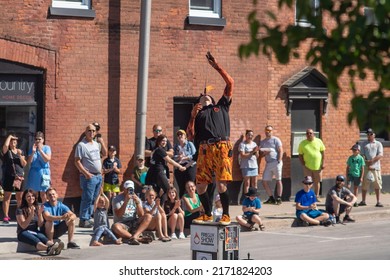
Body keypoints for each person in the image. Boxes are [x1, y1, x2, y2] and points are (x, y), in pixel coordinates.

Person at [186, 51, 234, 225]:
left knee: (221, 185)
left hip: (221, 146)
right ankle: (207, 213)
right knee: (200, 186)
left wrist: (217, 67)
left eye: (206, 97)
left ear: (212, 100)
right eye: (200, 97)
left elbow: (230, 82)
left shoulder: (221, 106)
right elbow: (190, 136)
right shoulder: (198, 115)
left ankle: (226, 215)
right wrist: (192, 116)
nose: (203, 97)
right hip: (204, 149)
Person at [16, 189, 64, 255]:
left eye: (33, 196)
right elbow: (23, 226)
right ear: (25, 198)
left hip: (34, 231)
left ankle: (55, 246)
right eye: (28, 196)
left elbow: (40, 224)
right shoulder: (20, 209)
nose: (31, 198)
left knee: (43, 237)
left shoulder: (37, 207)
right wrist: (31, 215)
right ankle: (48, 249)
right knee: (35, 240)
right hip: (23, 232)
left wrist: (39, 214)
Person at [74, 123, 103, 228]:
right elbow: (77, 162)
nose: (92, 133)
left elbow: (101, 156)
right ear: (85, 132)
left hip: (98, 176)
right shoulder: (81, 145)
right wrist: (86, 174)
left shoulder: (96, 144)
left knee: (94, 198)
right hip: (88, 177)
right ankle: (83, 219)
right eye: (89, 131)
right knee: (87, 198)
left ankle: (88, 217)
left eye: (93, 131)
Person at [145, 134, 186, 202]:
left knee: (157, 193)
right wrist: (180, 166)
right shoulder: (159, 150)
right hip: (158, 172)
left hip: (153, 174)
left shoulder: (155, 150)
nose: (165, 143)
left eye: (166, 141)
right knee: (169, 190)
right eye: (163, 141)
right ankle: (173, 206)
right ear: (159, 141)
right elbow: (169, 160)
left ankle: (161, 207)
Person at [111, 180, 153, 245]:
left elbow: (141, 215)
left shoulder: (136, 198)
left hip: (133, 221)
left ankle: (135, 236)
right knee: (115, 227)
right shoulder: (116, 199)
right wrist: (126, 201)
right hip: (122, 223)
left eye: (131, 189)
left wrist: (137, 203)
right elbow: (119, 214)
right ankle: (137, 238)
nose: (129, 191)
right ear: (124, 189)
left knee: (148, 216)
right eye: (127, 189)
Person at [1, 133, 27, 223]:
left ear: (17, 143)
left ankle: (19, 214)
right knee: (7, 196)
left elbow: (24, 164)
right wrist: (10, 136)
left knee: (19, 197)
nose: (13, 143)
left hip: (18, 176)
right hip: (9, 176)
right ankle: (6, 216)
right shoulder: (7, 152)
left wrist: (20, 156)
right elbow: (5, 145)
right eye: (11, 142)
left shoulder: (21, 151)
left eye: (14, 142)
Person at [298, 128, 326, 202]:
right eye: (307, 133)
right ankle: (308, 196)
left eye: (310, 133)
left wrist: (323, 163)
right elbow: (300, 154)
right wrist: (302, 163)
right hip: (307, 167)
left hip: (318, 166)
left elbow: (323, 153)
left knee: (317, 182)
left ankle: (316, 196)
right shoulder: (302, 143)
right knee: (308, 182)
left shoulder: (319, 141)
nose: (309, 134)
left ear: (313, 134)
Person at [359, 128, 384, 207]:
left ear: (374, 135)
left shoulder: (378, 144)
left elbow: (380, 155)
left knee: (377, 184)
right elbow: (362, 154)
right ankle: (363, 201)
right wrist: (366, 162)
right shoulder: (363, 144)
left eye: (370, 134)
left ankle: (378, 201)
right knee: (365, 184)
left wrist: (372, 161)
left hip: (376, 167)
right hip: (366, 167)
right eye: (368, 134)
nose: (369, 136)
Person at [260, 125, 283, 205]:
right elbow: (261, 155)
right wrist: (265, 153)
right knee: (264, 181)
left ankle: (279, 197)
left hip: (276, 162)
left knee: (278, 180)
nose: (268, 132)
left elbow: (280, 150)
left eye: (269, 130)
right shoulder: (263, 142)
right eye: (266, 130)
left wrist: (279, 160)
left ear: (272, 131)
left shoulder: (276, 140)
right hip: (268, 163)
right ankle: (271, 198)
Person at [26, 131, 51, 203]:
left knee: (44, 194)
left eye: (39, 139)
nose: (37, 141)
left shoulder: (47, 148)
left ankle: (45, 211)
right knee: (34, 194)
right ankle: (34, 211)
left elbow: (47, 159)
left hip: (44, 173)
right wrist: (33, 152)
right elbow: (29, 162)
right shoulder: (32, 148)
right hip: (34, 172)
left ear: (43, 140)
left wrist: (40, 150)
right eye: (36, 139)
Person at [173, 129, 197, 198]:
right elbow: (173, 157)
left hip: (190, 166)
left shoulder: (190, 144)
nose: (180, 136)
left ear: (185, 136)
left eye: (181, 134)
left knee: (191, 185)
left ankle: (193, 202)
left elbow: (194, 155)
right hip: (180, 166)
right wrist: (178, 157)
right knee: (181, 187)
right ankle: (181, 204)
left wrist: (185, 157)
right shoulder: (176, 146)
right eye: (178, 135)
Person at [238, 129, 259, 200]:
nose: (250, 137)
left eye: (252, 135)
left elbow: (257, 156)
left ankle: (254, 197)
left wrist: (256, 152)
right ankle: (247, 198)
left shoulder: (254, 144)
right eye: (249, 135)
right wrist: (252, 152)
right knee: (247, 182)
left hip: (254, 165)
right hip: (246, 165)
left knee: (254, 182)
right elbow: (242, 155)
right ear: (246, 135)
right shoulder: (242, 144)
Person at [346, 143, 365, 207]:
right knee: (348, 186)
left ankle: (355, 201)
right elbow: (348, 167)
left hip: (357, 175)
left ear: (358, 151)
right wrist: (347, 175)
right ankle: (347, 199)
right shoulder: (350, 158)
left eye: (355, 150)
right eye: (353, 150)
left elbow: (362, 168)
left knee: (355, 188)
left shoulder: (360, 158)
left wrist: (361, 177)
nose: (353, 151)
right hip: (351, 174)